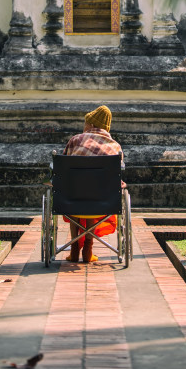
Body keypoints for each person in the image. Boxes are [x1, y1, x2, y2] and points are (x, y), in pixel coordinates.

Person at [63, 105, 124, 264]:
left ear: (91, 125)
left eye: (85, 123)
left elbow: (63, 169)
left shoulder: (75, 140)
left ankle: (75, 247)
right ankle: (88, 248)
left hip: (72, 200)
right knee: (94, 191)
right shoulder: (116, 147)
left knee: (76, 187)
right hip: (102, 201)